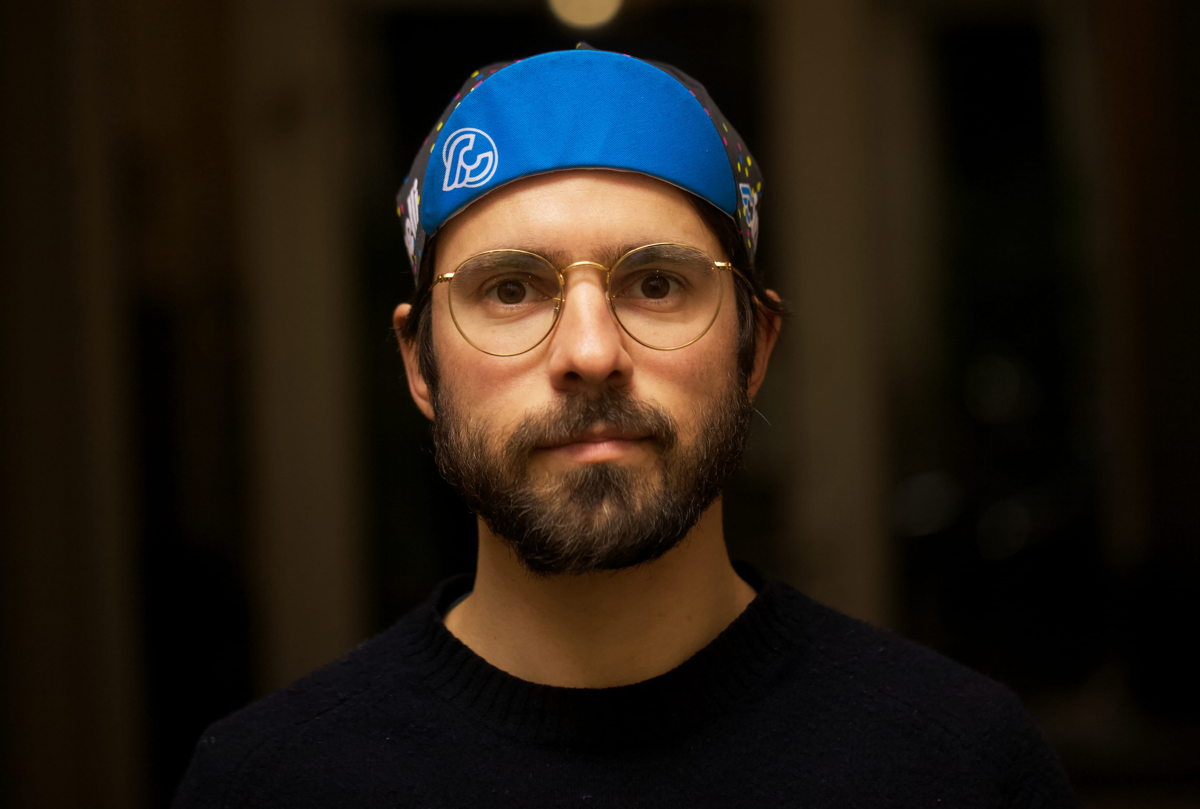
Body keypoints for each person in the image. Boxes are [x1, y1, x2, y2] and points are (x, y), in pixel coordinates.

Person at [174, 45, 1076, 807]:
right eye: (510, 289)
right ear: (420, 365)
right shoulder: (266, 785)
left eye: (656, 284)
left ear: (754, 348)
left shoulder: (962, 768)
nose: (591, 351)